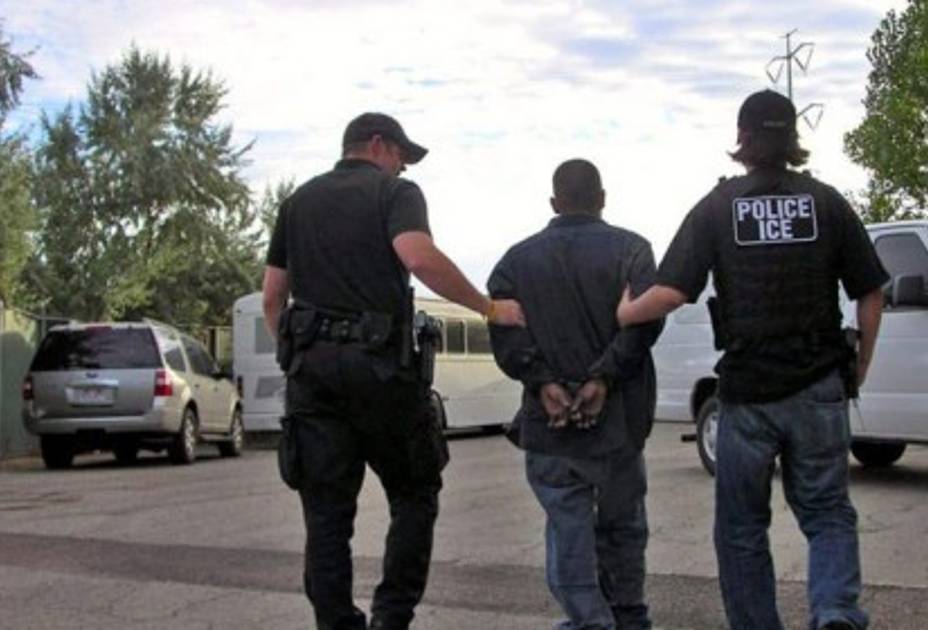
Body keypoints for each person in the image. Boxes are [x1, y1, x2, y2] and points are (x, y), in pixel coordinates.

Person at [616, 90, 887, 630]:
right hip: (819, 384)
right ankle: (834, 611)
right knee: (828, 512)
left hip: (748, 394)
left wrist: (626, 312)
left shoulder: (718, 206)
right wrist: (860, 365)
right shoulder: (826, 202)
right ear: (793, 139)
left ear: (742, 138)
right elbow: (871, 291)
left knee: (741, 529)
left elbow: (672, 292)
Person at [261, 112, 524, 630]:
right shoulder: (394, 193)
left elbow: (273, 296)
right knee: (414, 493)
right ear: (378, 145)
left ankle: (337, 623)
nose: (403, 168)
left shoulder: (297, 203)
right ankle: (391, 617)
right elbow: (418, 258)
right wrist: (489, 308)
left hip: (313, 377)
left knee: (326, 515)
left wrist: (295, 356)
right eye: (402, 156)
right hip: (381, 372)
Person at [488, 159, 664, 630]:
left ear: (553, 203)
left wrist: (543, 382)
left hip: (551, 424)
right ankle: (629, 615)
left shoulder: (515, 261)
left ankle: (589, 621)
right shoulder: (633, 250)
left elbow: (505, 334)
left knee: (567, 525)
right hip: (619, 420)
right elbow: (645, 323)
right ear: (602, 198)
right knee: (624, 525)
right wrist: (602, 379)